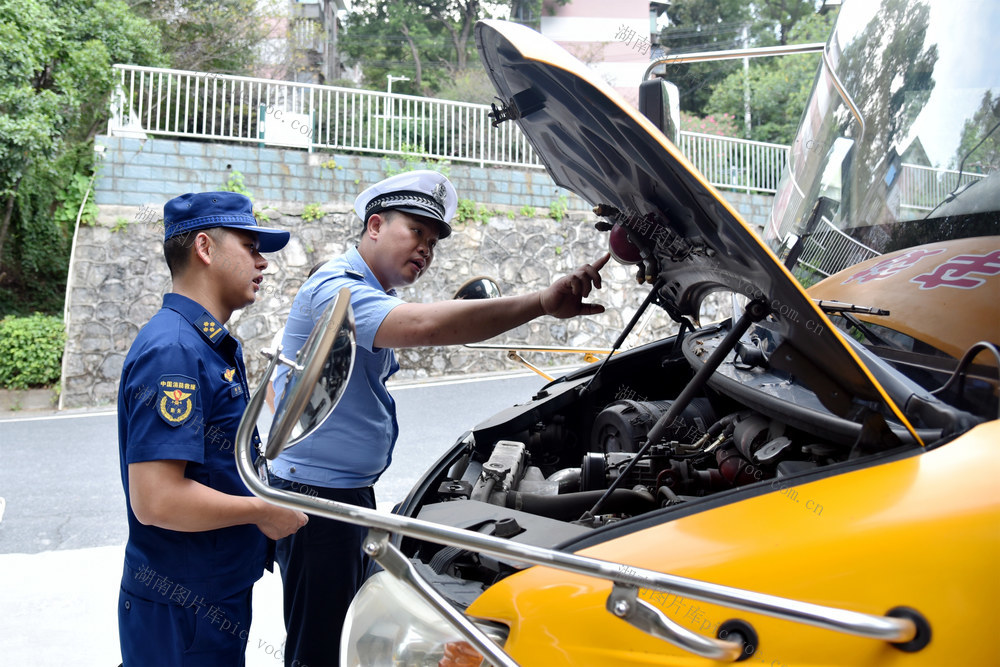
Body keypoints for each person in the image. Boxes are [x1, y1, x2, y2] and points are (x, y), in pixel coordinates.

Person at [270, 170, 610, 666]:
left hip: (343, 494)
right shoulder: (336, 292)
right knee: (318, 649)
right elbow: (427, 326)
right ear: (375, 225)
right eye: (416, 232)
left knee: (347, 632)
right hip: (317, 502)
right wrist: (540, 303)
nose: (426, 249)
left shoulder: (366, 291)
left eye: (433, 241)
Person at [116, 191, 309, 666]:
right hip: (184, 604)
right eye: (251, 246)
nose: (263, 262)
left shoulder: (205, 342)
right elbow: (156, 500)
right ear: (205, 248)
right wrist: (262, 511)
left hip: (208, 591)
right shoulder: (175, 351)